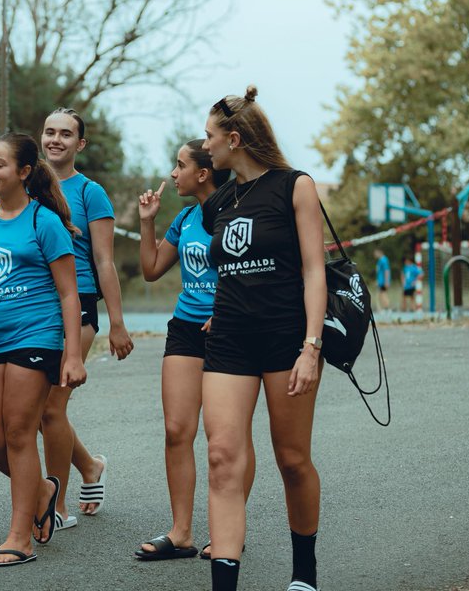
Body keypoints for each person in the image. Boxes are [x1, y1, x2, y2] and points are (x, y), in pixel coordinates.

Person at [200, 86, 327, 591]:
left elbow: (314, 271)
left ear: (234, 139)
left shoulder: (295, 186)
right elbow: (222, 268)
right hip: (230, 341)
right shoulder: (219, 201)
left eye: (210, 136)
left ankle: (304, 574)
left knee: (292, 460)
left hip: (285, 339)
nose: (204, 145)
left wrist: (311, 347)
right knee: (221, 459)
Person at [0, 132, 88, 567]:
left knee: (19, 434)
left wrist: (73, 354)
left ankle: (20, 538)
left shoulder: (44, 222)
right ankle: (42, 491)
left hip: (36, 335)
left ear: (24, 172)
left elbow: (69, 293)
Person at [133, 140, 256, 562]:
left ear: (203, 173)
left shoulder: (238, 214)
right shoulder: (185, 218)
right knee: (176, 430)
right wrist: (147, 222)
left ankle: (229, 531)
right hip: (186, 328)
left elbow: (253, 272)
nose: (173, 173)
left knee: (229, 437)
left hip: (232, 328)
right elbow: (151, 270)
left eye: (180, 165)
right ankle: (181, 532)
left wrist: (226, 310)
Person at [39, 108, 134, 530]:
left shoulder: (90, 193)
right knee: (39, 411)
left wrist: (117, 322)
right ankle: (90, 467)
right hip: (34, 306)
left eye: (65, 134)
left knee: (51, 408)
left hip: (78, 303)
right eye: (49, 132)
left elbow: (104, 260)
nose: (55, 140)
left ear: (80, 144)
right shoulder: (26, 184)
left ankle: (56, 506)